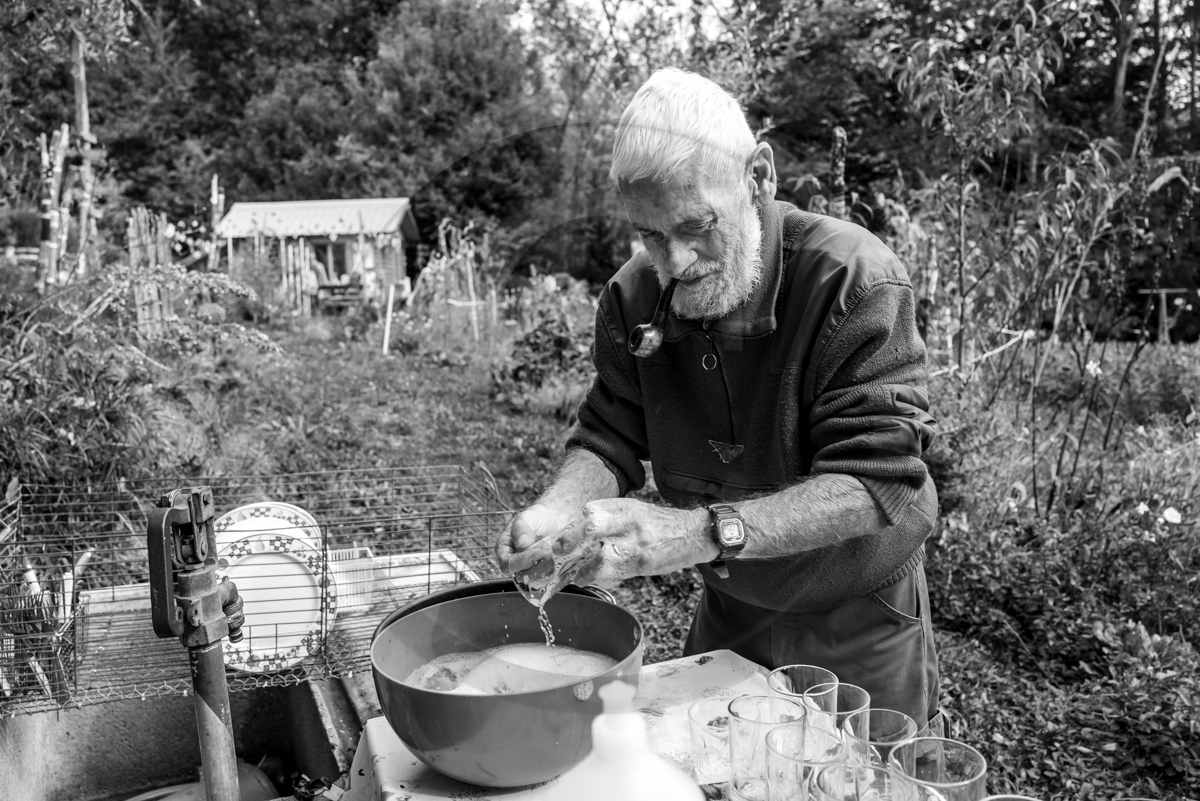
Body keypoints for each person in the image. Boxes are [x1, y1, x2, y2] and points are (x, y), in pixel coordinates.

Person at [496, 67, 942, 730]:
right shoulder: (631, 299)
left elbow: (874, 481)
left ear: (758, 175)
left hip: (860, 619)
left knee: (858, 778)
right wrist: (559, 508)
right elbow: (610, 431)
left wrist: (698, 532)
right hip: (730, 610)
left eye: (695, 225)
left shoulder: (854, 282)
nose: (674, 262)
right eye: (649, 235)